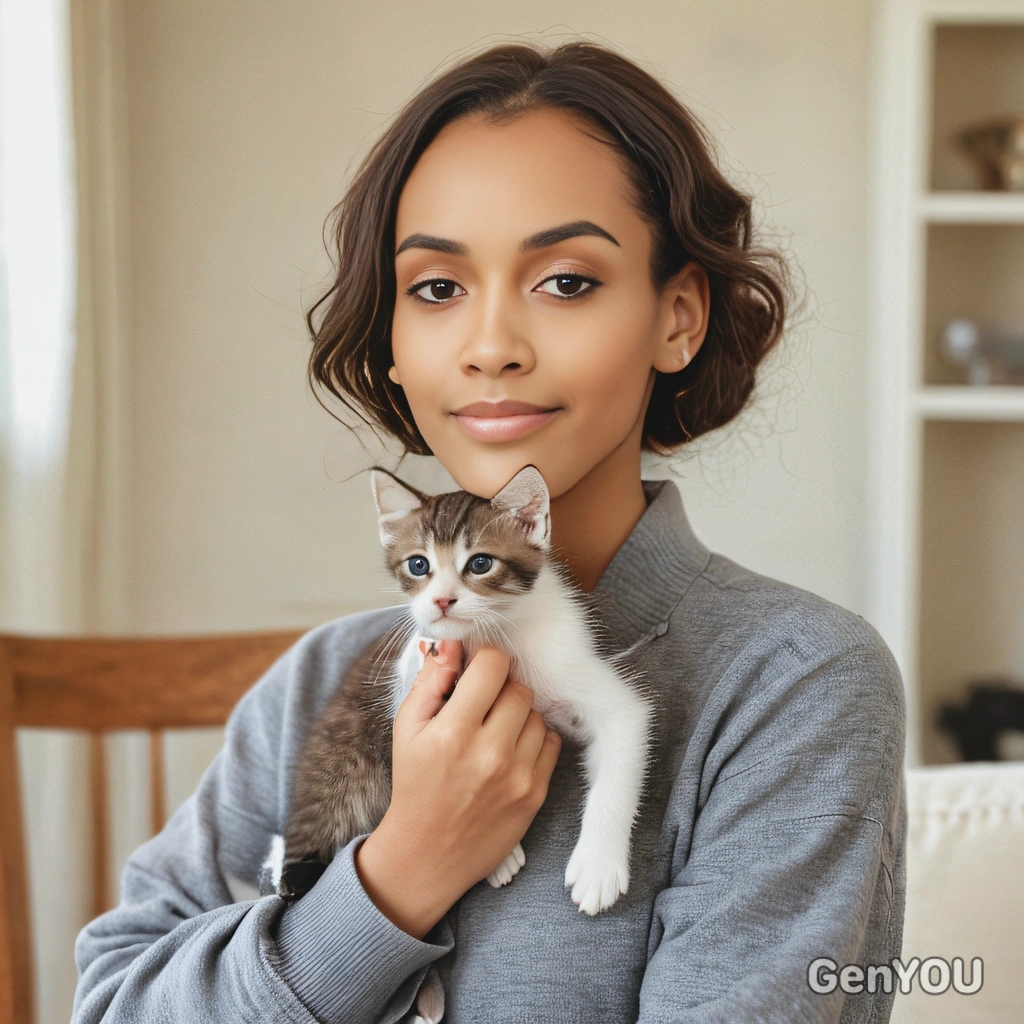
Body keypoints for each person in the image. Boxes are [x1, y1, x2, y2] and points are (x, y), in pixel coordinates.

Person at [72, 39, 906, 1024]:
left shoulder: (794, 684)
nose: (491, 348)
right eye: (435, 289)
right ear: (390, 340)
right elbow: (113, 1003)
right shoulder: (316, 684)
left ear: (677, 316)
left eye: (565, 281)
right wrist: (395, 876)